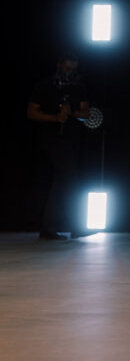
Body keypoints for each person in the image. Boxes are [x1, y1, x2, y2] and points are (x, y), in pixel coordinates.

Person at [27, 53, 91, 239]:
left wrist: (73, 113)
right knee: (66, 179)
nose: (70, 72)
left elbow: (86, 113)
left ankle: (52, 227)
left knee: (65, 180)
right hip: (51, 139)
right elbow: (31, 112)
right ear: (59, 65)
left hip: (72, 140)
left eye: (74, 68)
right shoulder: (45, 86)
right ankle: (68, 227)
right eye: (68, 68)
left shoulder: (79, 87)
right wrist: (55, 117)